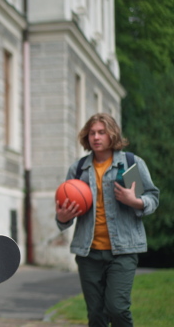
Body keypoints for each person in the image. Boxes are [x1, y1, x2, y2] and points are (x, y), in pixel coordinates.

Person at [56, 113, 159, 327]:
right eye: (92, 133)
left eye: (101, 132)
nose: (96, 137)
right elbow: (63, 216)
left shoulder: (130, 164)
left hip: (123, 251)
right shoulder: (78, 170)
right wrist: (62, 217)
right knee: (96, 315)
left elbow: (152, 198)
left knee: (117, 309)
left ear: (112, 134)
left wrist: (136, 201)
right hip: (88, 253)